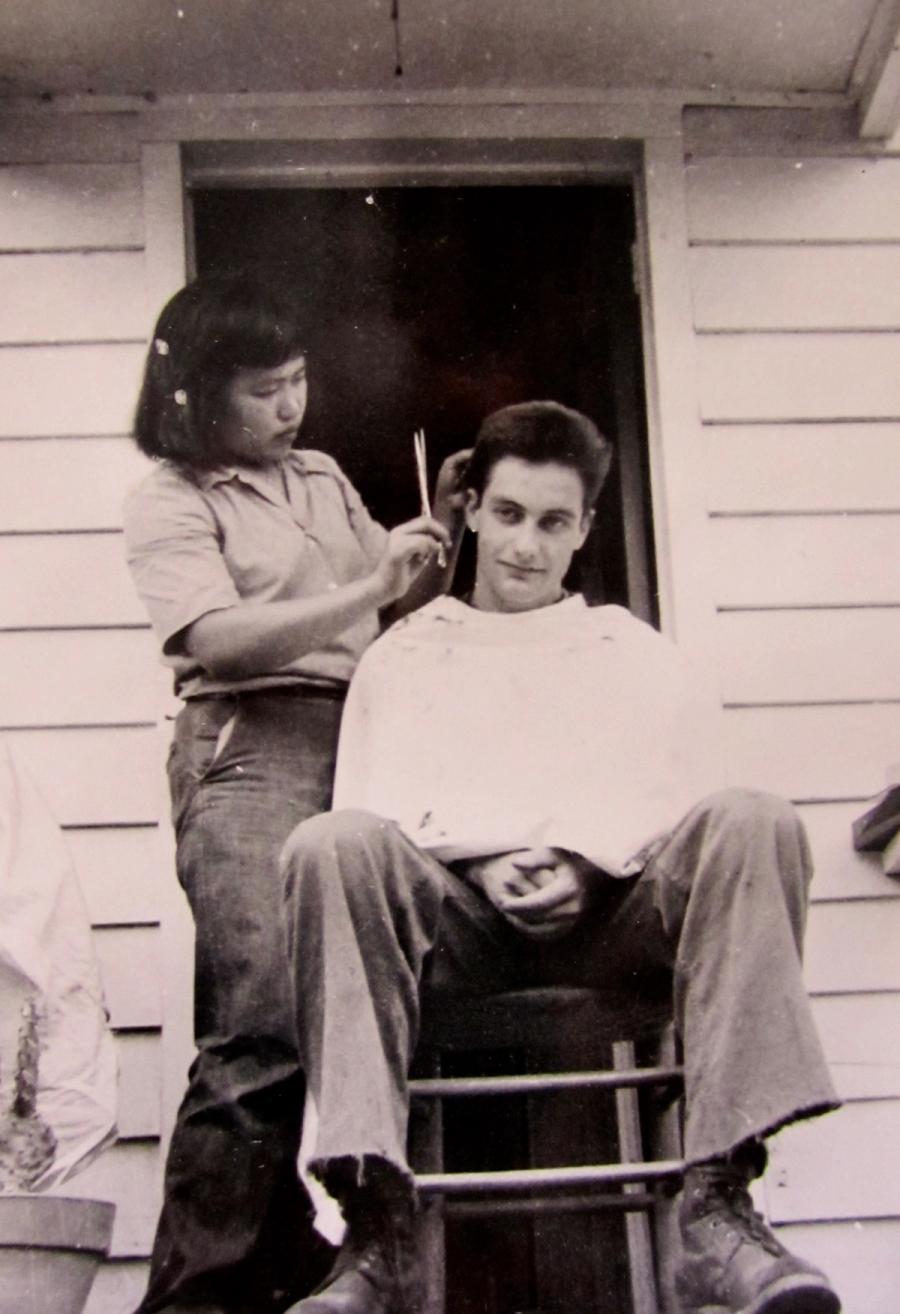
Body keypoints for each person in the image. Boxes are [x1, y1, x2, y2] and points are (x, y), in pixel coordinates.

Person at [279, 400, 842, 1314]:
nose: (525, 547)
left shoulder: (632, 651)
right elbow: (374, 807)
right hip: (460, 940)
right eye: (506, 516)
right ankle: (377, 1229)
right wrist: (475, 865)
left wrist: (586, 863)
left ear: (584, 528)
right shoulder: (411, 653)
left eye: (552, 523)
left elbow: (678, 799)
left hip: (617, 930)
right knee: (326, 847)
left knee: (753, 820)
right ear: (471, 512)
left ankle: (718, 1207)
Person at [122, 271, 470, 1314]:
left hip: (362, 737)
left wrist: (439, 528)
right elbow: (216, 641)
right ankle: (195, 1296)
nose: (291, 405)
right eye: (263, 387)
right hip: (251, 744)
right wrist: (365, 589)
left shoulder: (320, 476)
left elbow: (398, 611)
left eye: (300, 379)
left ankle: (283, 1267)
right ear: (193, 392)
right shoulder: (169, 501)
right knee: (264, 1015)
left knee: (359, 1007)